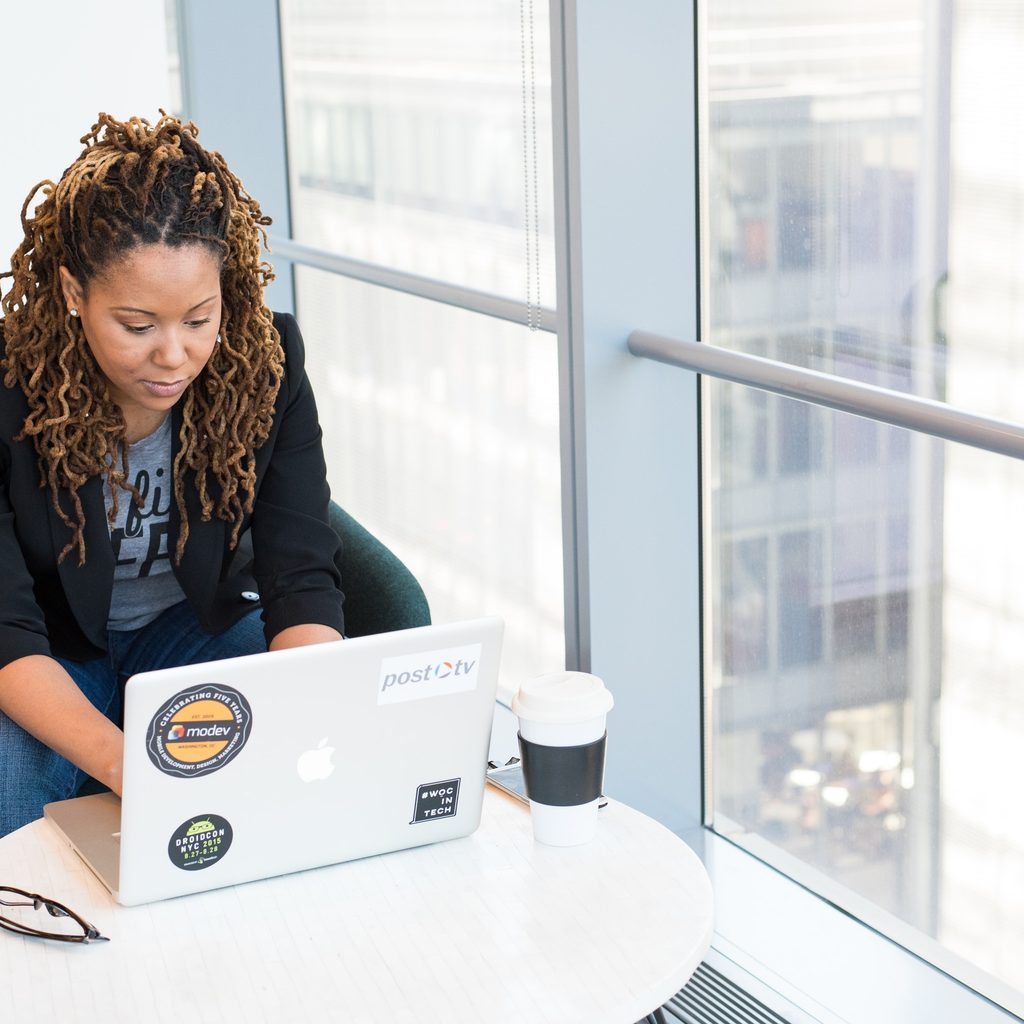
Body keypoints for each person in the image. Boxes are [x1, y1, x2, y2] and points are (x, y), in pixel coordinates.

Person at [0, 113, 345, 837]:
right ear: (73, 291)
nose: (173, 355)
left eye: (198, 319)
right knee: (10, 803)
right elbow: (6, 629)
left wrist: (314, 718)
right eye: (137, 325)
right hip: (54, 649)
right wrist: (133, 765)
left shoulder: (267, 365)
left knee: (296, 771)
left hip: (194, 627)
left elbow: (300, 576)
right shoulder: (9, 392)